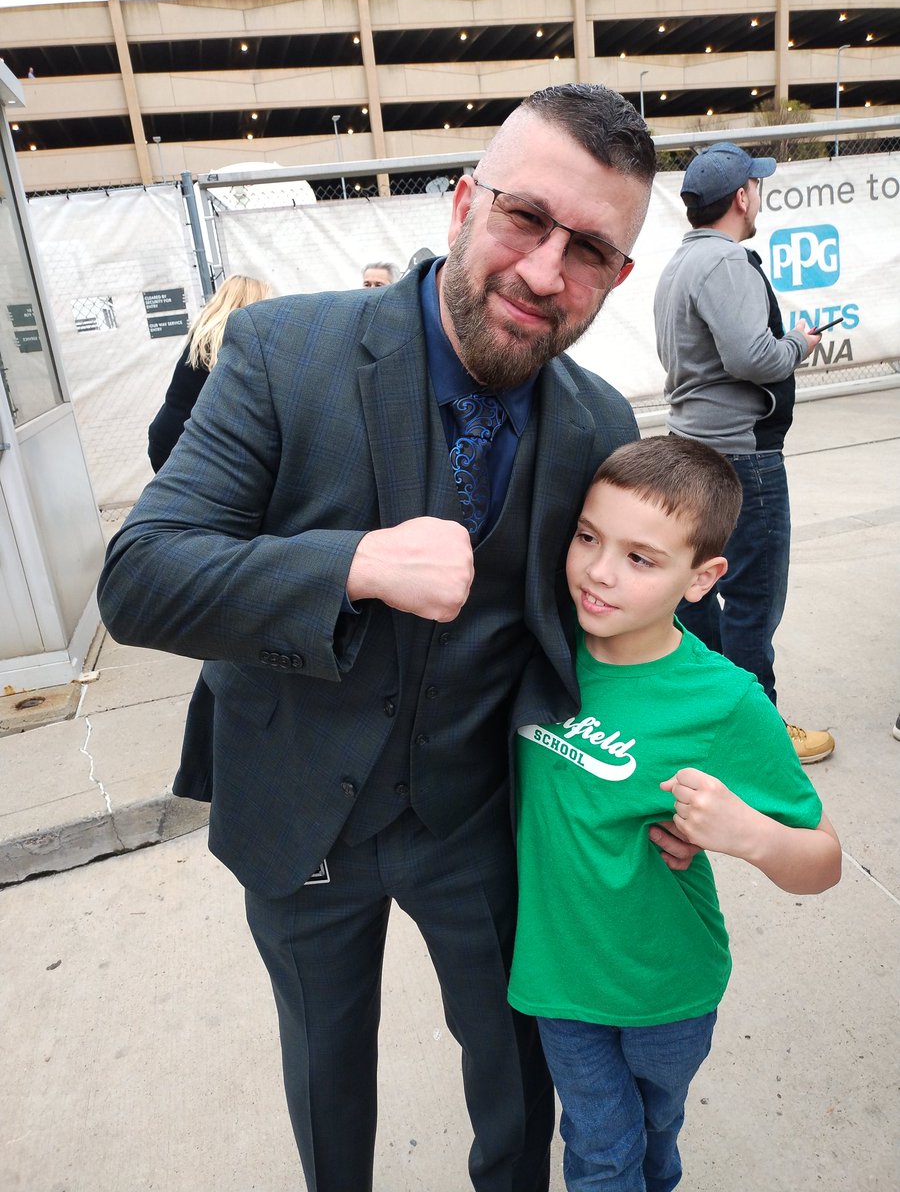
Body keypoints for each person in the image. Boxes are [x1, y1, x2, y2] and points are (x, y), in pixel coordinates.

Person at [98, 83, 688, 1192]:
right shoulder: (283, 352)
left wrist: (671, 780)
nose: (546, 271)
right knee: (328, 1075)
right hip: (300, 818)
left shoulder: (602, 424)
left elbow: (615, 632)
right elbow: (140, 579)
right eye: (525, 218)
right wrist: (353, 563)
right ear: (465, 203)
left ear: (619, 277)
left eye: (592, 251)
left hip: (482, 824)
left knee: (519, 1072)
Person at [509, 435, 842, 1191]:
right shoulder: (543, 642)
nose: (599, 571)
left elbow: (821, 860)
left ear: (703, 579)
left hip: (670, 988)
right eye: (588, 537)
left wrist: (746, 833)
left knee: (656, 1126)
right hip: (559, 979)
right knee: (601, 1150)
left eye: (641, 558)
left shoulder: (724, 700)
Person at [653, 141, 835, 766]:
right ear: (740, 197)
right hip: (741, 457)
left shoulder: (679, 264)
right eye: (755, 186)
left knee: (697, 593)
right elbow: (751, 357)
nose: (757, 195)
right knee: (755, 597)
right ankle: (756, 733)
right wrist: (797, 345)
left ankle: (710, 716)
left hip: (695, 452)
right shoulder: (727, 263)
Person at [147, 274, 271, 472]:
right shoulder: (226, 343)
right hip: (184, 444)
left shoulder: (205, 335)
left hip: (167, 434)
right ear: (250, 304)